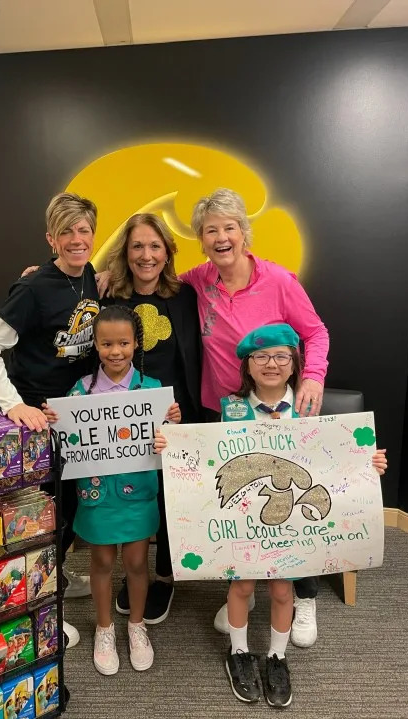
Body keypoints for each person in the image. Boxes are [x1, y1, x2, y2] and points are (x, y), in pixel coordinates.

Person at [155, 323, 387, 707]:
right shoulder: (230, 410)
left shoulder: (311, 410)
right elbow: (206, 459)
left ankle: (278, 657)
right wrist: (171, 443)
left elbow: (335, 461)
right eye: (260, 357)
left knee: (282, 590)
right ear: (247, 367)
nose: (271, 364)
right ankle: (239, 653)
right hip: (246, 528)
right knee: (242, 588)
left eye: (281, 357)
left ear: (294, 364)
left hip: (291, 530)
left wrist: (368, 462)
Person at [182, 188, 330, 645]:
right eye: (211, 231)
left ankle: (303, 595)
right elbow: (148, 277)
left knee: (287, 497)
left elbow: (316, 332)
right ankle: (239, 596)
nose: (221, 237)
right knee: (243, 505)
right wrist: (100, 276)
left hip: (278, 411)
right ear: (202, 241)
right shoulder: (197, 280)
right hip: (223, 413)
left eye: (229, 227)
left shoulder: (279, 280)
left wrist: (314, 377)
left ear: (244, 233)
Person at [0, 191, 102, 647]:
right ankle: (39, 609)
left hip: (77, 418)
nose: (76, 239)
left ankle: (55, 579)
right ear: (51, 238)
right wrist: (12, 405)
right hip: (38, 423)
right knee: (39, 517)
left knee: (69, 508)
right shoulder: (32, 288)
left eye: (83, 230)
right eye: (65, 231)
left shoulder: (92, 280)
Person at [43, 305, 181, 675]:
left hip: (138, 496)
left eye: (123, 343)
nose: (115, 351)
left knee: (137, 564)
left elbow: (172, 447)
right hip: (97, 498)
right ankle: (105, 628)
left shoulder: (153, 392)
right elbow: (65, 439)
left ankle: (136, 626)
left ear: (136, 344)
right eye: (107, 344)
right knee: (101, 563)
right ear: (96, 346)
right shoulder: (78, 393)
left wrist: (172, 428)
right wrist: (55, 418)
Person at [104, 213, 202, 624]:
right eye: (137, 246)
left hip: (175, 416)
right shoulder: (107, 294)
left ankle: (165, 575)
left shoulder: (185, 294)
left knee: (168, 496)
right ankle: (135, 572)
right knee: (132, 494)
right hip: (121, 416)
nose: (146, 255)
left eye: (155, 246)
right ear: (125, 254)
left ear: (168, 252)